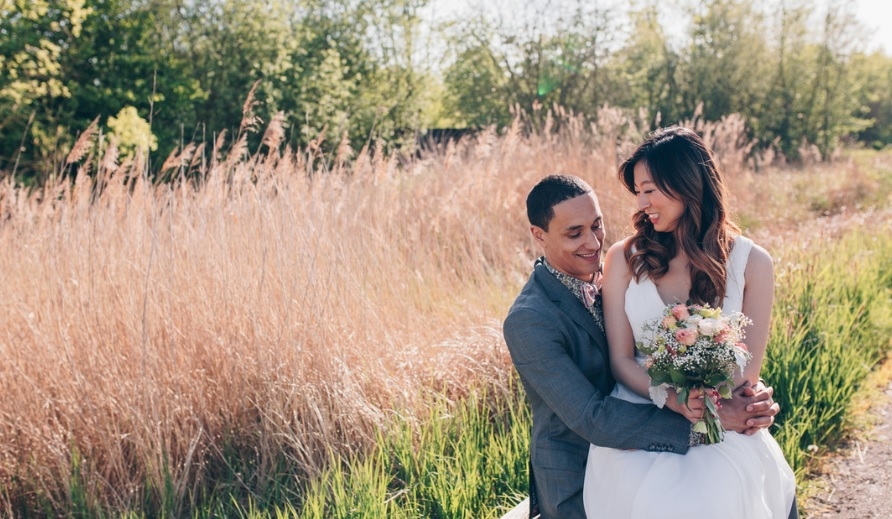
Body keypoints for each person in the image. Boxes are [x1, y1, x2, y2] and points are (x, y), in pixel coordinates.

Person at [503, 173, 781, 519]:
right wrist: (712, 418)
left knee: (755, 481)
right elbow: (593, 418)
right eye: (574, 233)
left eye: (597, 226)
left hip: (650, 431)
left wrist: (744, 397)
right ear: (538, 235)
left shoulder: (618, 271)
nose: (593, 242)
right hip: (579, 468)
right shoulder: (530, 320)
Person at [583, 126, 797, 518]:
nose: (643, 202)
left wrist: (705, 405)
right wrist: (671, 398)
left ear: (684, 183)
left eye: (650, 189)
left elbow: (746, 370)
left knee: (718, 493)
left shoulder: (753, 264)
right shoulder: (624, 258)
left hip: (721, 412)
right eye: (638, 192)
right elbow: (622, 360)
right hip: (643, 409)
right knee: (659, 501)